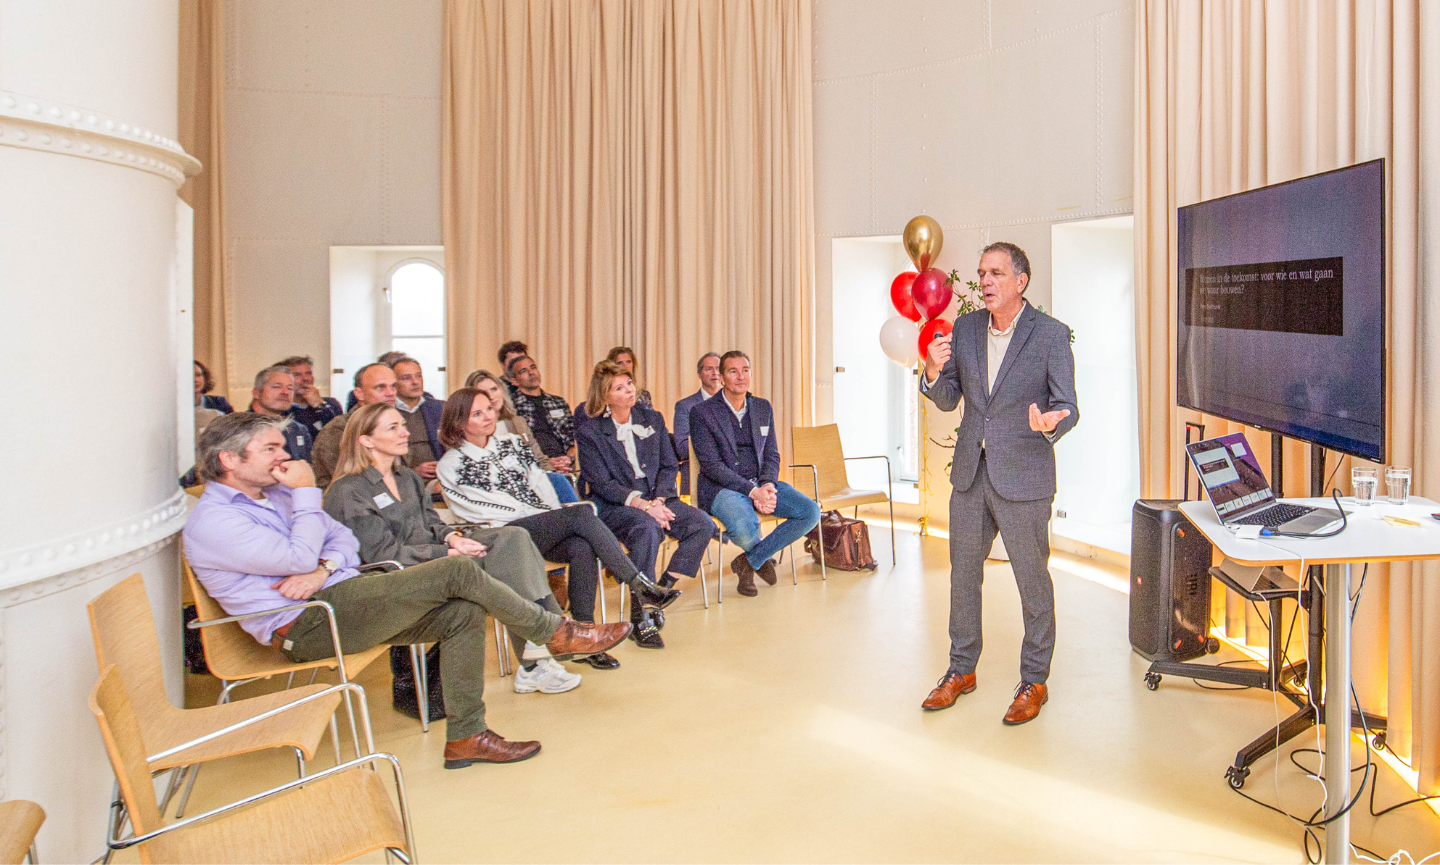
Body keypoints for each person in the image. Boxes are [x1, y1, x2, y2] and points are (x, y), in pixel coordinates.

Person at [182, 412, 633, 767]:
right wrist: (305, 500)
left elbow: (340, 541)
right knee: (458, 575)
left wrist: (321, 569)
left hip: (341, 594)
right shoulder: (216, 521)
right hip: (307, 624)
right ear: (230, 459)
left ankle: (465, 736)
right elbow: (300, 555)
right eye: (271, 449)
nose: (285, 457)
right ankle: (552, 631)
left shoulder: (276, 496)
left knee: (463, 611)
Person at [918, 241, 1078, 726]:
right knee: (963, 576)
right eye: (982, 273)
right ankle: (960, 670)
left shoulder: (1050, 334)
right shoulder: (965, 329)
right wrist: (929, 369)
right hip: (970, 473)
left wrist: (1052, 422)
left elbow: (1068, 404)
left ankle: (1034, 680)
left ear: (1020, 281)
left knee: (1032, 581)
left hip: (1025, 475)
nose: (985, 282)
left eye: (995, 274)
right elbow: (948, 398)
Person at [324, 403, 581, 694]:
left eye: (403, 425)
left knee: (513, 537)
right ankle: (549, 642)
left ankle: (541, 646)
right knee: (504, 564)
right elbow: (381, 555)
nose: (404, 432)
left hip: (439, 557)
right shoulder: (348, 491)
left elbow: (432, 523)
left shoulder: (406, 478)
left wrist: (452, 539)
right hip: (398, 576)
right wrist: (444, 553)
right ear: (366, 440)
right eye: (393, 428)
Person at [436, 387, 681, 666]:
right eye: (476, 414)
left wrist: (549, 515)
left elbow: (540, 482)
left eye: (489, 410)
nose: (487, 417)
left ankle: (586, 637)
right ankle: (639, 585)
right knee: (578, 515)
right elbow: (480, 509)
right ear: (458, 422)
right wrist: (543, 515)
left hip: (539, 523)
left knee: (581, 545)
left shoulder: (512, 443)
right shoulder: (451, 464)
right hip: (503, 534)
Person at [577, 362, 717, 648]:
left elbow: (669, 465)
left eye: (629, 383)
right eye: (619, 387)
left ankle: (659, 591)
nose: (629, 390)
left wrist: (660, 500)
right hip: (616, 505)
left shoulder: (652, 418)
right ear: (605, 397)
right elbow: (602, 484)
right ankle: (639, 617)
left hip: (658, 497)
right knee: (647, 527)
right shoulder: (590, 432)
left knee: (702, 524)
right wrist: (643, 505)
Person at [690, 351, 820, 597]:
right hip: (722, 488)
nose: (741, 377)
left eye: (745, 370)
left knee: (810, 512)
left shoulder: (762, 407)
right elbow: (711, 465)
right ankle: (761, 558)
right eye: (733, 371)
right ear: (721, 377)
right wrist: (753, 492)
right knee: (744, 527)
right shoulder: (702, 413)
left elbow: (771, 454)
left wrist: (768, 485)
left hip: (760, 482)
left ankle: (749, 563)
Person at [466, 370, 579, 504]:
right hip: (502, 490)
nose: (492, 396)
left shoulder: (517, 422)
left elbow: (539, 459)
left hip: (533, 482)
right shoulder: (472, 430)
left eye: (494, 389)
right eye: (484, 393)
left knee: (558, 481)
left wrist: (551, 471)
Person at [312, 362, 398, 489]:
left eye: (393, 386)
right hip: (351, 502)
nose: (390, 393)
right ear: (359, 394)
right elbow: (350, 481)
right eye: (380, 387)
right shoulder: (340, 430)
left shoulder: (396, 425)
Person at [507, 355, 577, 471]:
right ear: (514, 381)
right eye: (523, 371)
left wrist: (569, 459)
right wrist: (545, 463)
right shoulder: (511, 407)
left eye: (533, 367)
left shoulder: (558, 402)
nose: (531, 372)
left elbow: (572, 438)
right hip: (534, 467)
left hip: (565, 464)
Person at [672, 351, 722, 495]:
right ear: (699, 374)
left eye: (718, 369)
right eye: (709, 369)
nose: (715, 373)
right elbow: (682, 448)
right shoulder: (686, 406)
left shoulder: (734, 404)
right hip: (698, 475)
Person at [392, 357, 446, 485]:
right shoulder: (387, 413)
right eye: (406, 378)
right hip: (403, 482)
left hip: (441, 479)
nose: (415, 382)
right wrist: (413, 471)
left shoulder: (440, 408)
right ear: (394, 383)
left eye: (418, 376)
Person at [247, 366, 313, 461]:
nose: (285, 392)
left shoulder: (298, 430)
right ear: (256, 393)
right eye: (277, 387)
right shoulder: (239, 428)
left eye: (290, 388)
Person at [276, 354, 343, 435]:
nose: (305, 379)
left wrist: (320, 405)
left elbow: (339, 432)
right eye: (296, 375)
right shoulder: (279, 409)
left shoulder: (331, 404)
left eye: (308, 373)